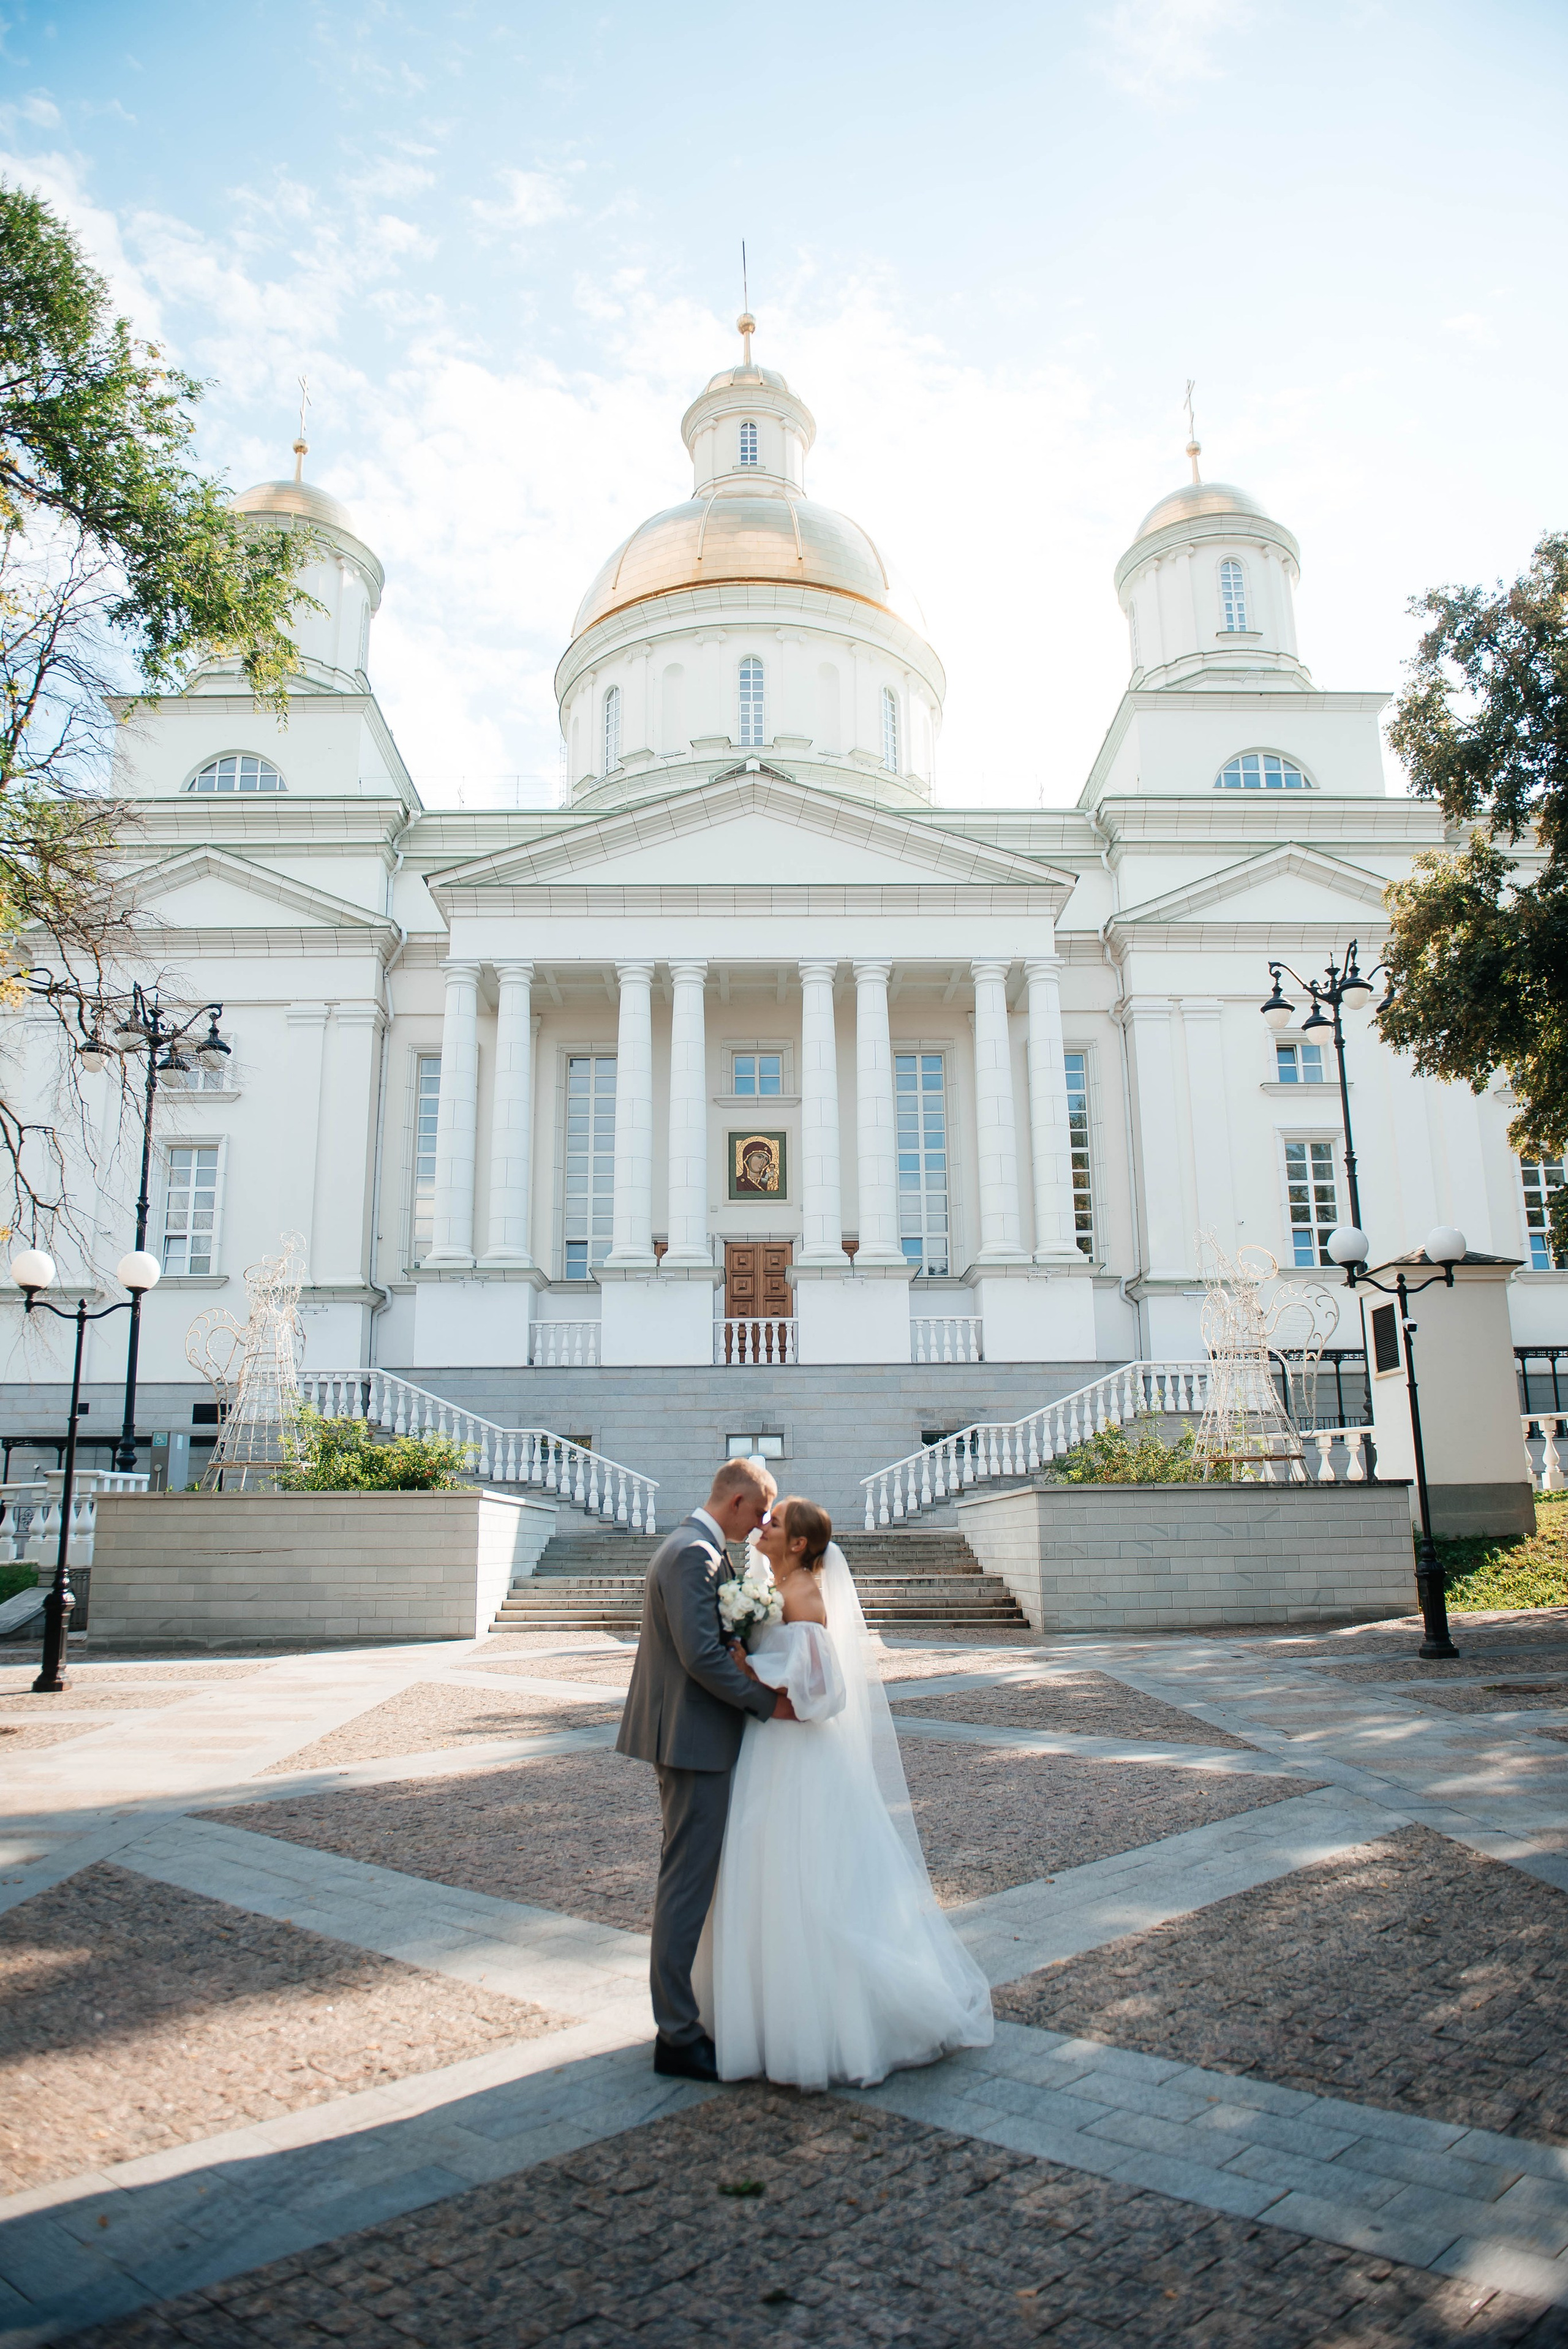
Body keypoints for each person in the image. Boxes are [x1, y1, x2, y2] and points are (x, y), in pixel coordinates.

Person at [696, 1495, 993, 2089]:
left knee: (801, 1876)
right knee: (766, 1870)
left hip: (794, 1756)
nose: (763, 1526)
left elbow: (824, 1694)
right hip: (767, 1751)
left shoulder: (803, 1593)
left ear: (799, 1543)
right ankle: (763, 2013)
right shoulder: (776, 1585)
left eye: (774, 1522)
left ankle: (820, 2023)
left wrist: (755, 1679)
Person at [616, 1457, 797, 2082]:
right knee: (686, 1884)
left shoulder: (693, 1546)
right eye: (760, 1514)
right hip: (692, 1739)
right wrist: (767, 1702)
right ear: (739, 1500)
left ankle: (685, 2017)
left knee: (688, 1879)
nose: (760, 1528)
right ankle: (677, 2034)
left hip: (690, 1735)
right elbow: (699, 1658)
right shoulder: (695, 1553)